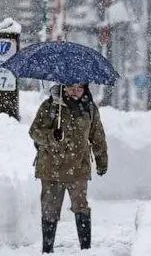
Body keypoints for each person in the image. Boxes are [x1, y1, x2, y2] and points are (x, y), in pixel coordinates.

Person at [29, 83, 108, 253]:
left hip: (78, 168)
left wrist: (102, 161)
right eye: (71, 88)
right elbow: (34, 131)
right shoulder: (50, 106)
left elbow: (98, 136)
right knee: (49, 209)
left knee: (81, 207)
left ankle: (86, 249)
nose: (75, 92)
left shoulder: (90, 109)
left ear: (85, 89)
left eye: (79, 88)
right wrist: (51, 135)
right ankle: (47, 249)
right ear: (64, 88)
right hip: (51, 168)